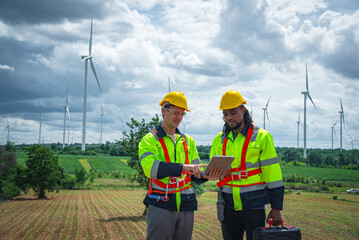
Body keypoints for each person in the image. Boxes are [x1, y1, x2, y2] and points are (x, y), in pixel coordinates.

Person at [210, 90, 285, 240]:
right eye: (225, 114)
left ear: (243, 110)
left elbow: (273, 174)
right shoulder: (219, 140)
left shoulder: (262, 137)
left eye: (233, 113)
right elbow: (213, 170)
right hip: (227, 204)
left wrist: (276, 207)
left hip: (254, 204)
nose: (229, 118)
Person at [138, 91, 207, 240]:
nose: (179, 118)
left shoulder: (188, 141)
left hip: (186, 204)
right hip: (161, 203)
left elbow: (196, 174)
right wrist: (182, 167)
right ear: (164, 111)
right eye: (176, 113)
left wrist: (207, 175)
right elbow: (151, 169)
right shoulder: (149, 140)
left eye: (182, 114)